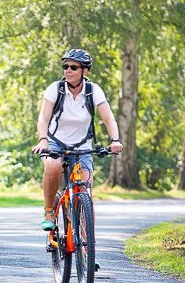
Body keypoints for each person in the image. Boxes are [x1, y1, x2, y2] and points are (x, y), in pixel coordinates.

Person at [30, 48, 124, 230]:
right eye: (65, 66)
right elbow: (43, 117)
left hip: (82, 147)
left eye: (73, 67)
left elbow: (108, 118)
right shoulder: (55, 89)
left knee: (85, 190)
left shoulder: (93, 91)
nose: (68, 71)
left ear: (85, 71)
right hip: (55, 142)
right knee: (53, 166)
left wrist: (115, 140)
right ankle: (49, 211)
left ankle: (88, 249)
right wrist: (43, 140)